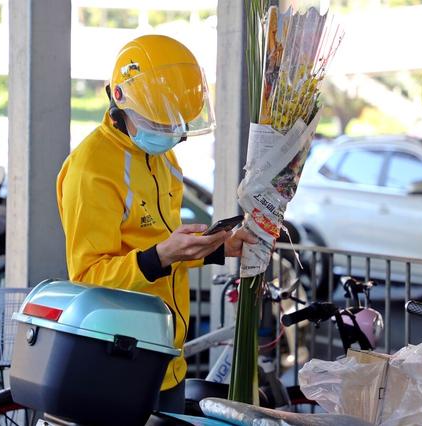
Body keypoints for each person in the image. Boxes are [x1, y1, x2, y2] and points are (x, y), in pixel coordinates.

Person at [56, 35, 257, 413]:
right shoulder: (91, 168)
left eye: (176, 125)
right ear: (119, 101)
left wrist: (217, 247)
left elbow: (159, 246)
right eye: (158, 122)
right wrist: (160, 256)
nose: (170, 134)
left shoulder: (165, 162)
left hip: (166, 356)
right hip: (117, 357)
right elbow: (87, 276)